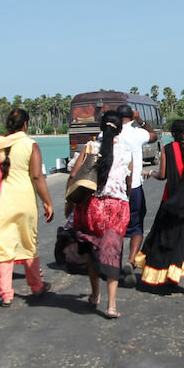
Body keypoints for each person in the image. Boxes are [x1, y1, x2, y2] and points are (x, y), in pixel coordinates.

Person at [0, 107, 54, 305]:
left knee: (3, 248)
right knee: (29, 244)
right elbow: (37, 177)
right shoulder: (30, 145)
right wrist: (47, 202)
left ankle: (6, 294)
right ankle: (36, 286)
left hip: (0, 202)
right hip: (24, 202)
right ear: (26, 124)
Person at [136, 119, 184, 294]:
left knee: (167, 237)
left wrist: (150, 172)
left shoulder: (167, 149)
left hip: (172, 201)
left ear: (172, 134)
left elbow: (163, 175)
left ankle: (171, 273)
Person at [69, 110, 133, 318]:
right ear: (120, 130)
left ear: (100, 127)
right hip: (117, 208)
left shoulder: (90, 147)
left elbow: (73, 174)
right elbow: (128, 182)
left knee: (93, 249)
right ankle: (111, 306)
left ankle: (95, 294)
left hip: (92, 206)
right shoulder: (126, 151)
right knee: (113, 253)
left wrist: (70, 203)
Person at [115, 103, 158, 274]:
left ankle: (115, 262)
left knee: (115, 227)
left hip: (113, 189)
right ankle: (131, 260)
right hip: (134, 186)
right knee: (137, 225)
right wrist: (141, 121)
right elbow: (153, 136)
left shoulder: (108, 133)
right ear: (131, 117)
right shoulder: (137, 133)